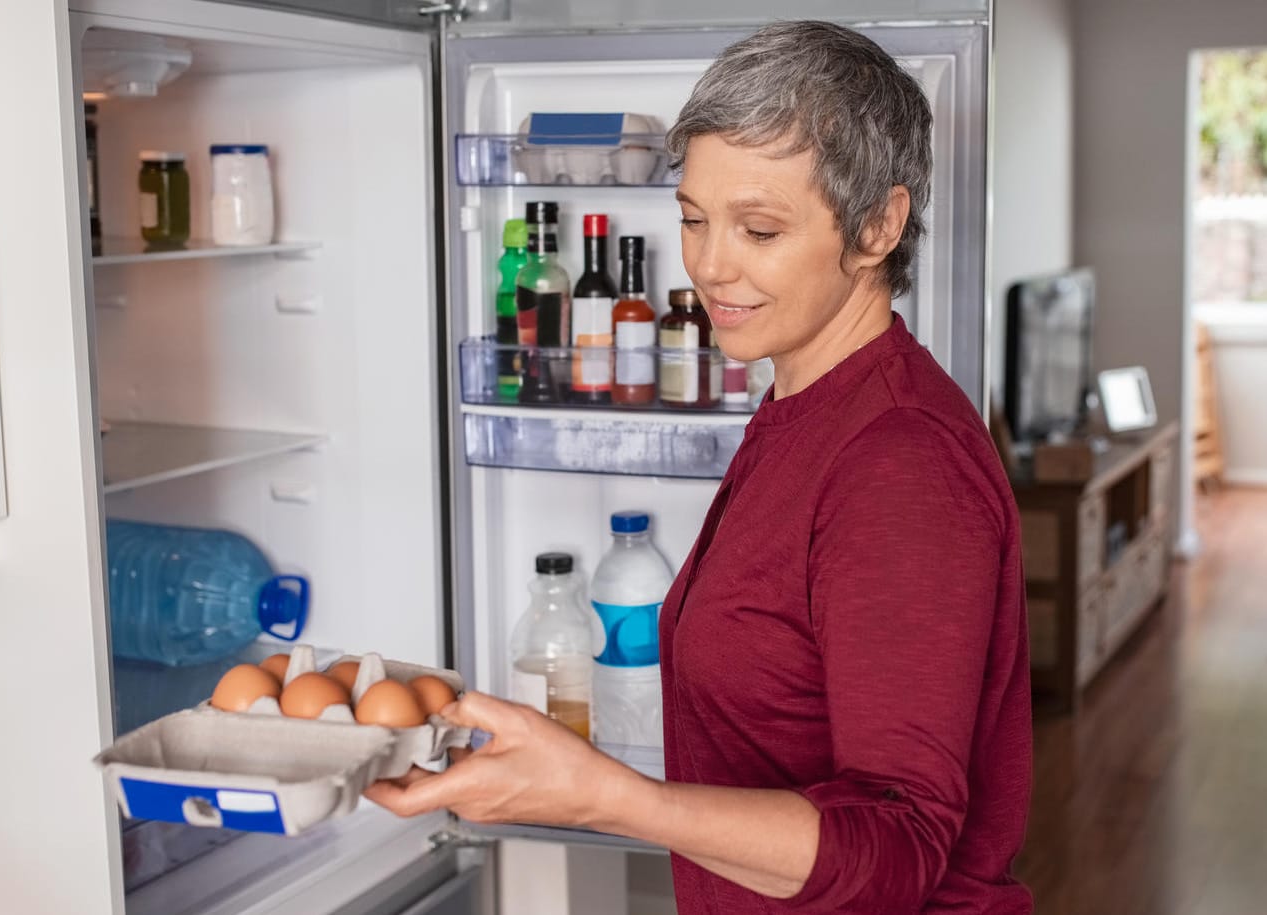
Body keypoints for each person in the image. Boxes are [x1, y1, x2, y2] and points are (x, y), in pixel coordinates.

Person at [366, 20, 1033, 913]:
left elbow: (899, 841)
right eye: (691, 216)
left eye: (759, 229)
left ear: (878, 227)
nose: (710, 265)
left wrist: (606, 795)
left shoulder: (899, 467)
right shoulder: (804, 402)